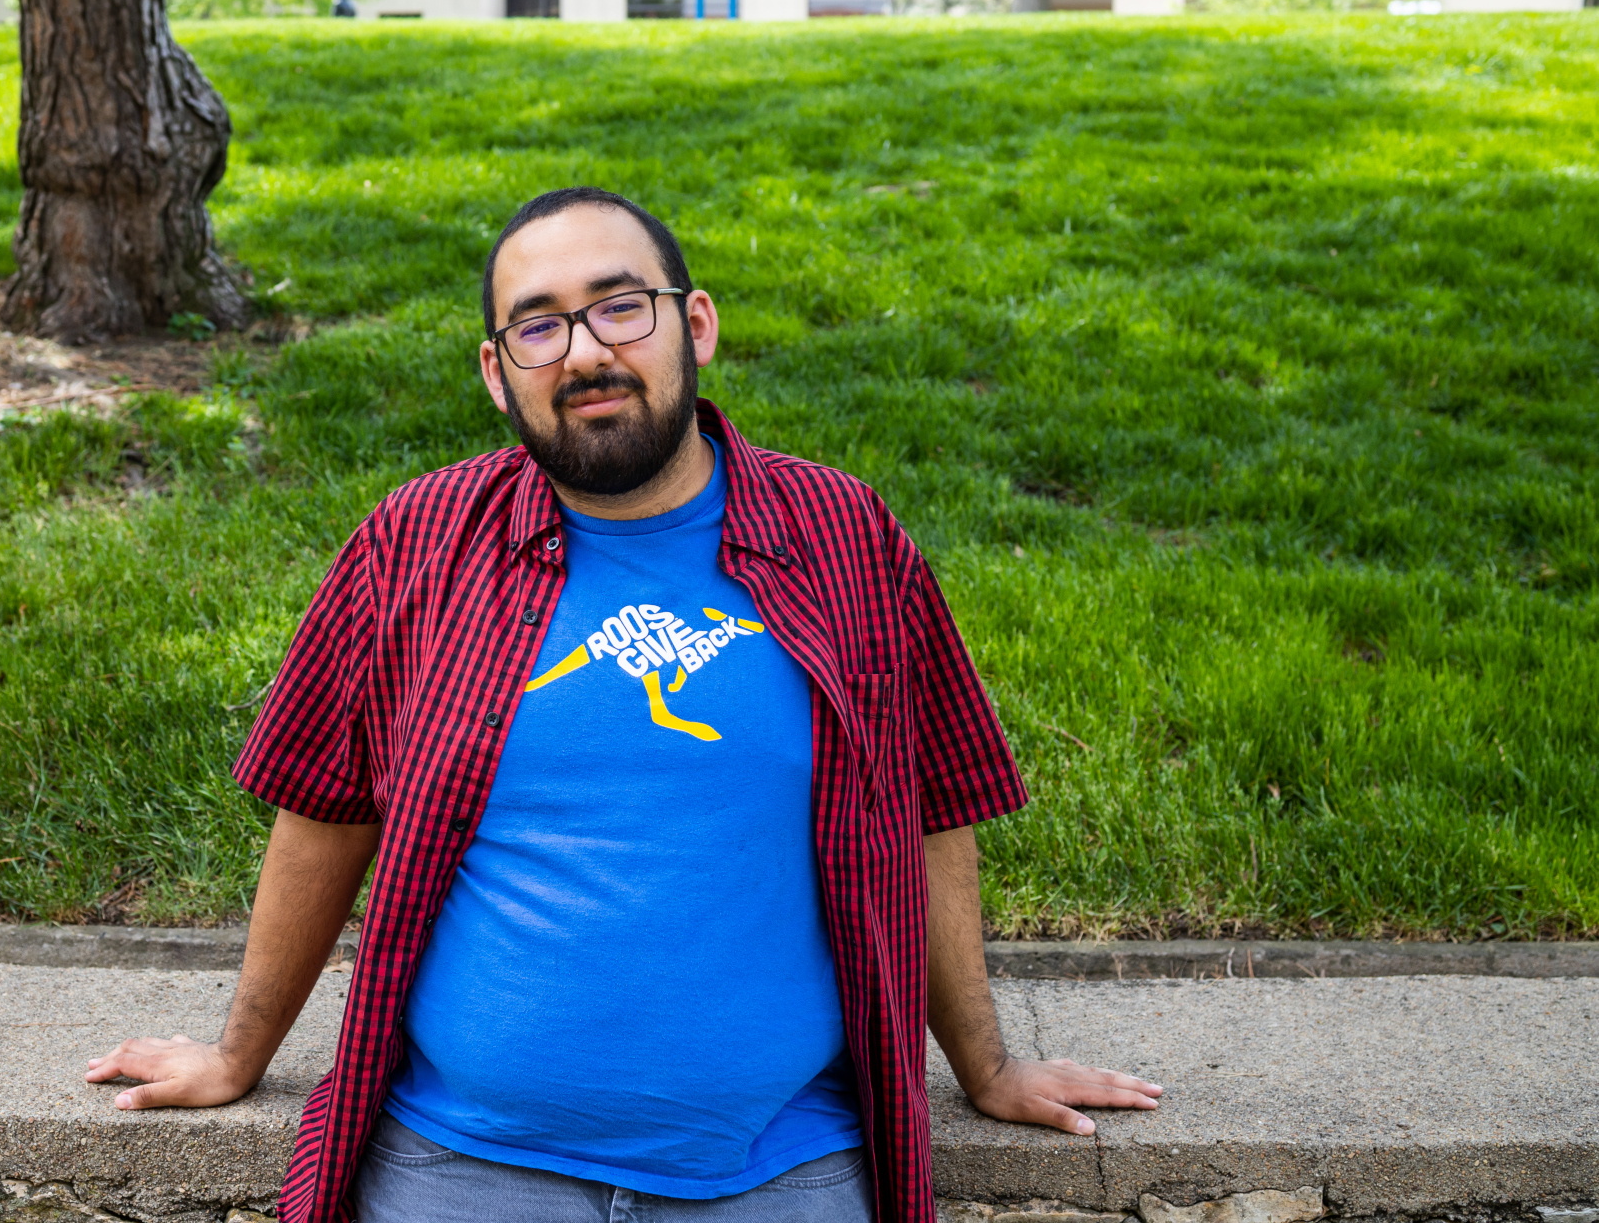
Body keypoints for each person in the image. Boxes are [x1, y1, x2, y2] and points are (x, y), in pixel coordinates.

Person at [85, 187, 1162, 1223]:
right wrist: (238, 1052)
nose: (587, 351)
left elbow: (928, 807)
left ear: (693, 324)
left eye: (617, 305)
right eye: (537, 327)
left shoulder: (845, 537)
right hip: (459, 1172)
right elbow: (322, 804)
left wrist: (985, 1060)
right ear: (496, 374)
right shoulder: (415, 541)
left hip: (779, 1176)